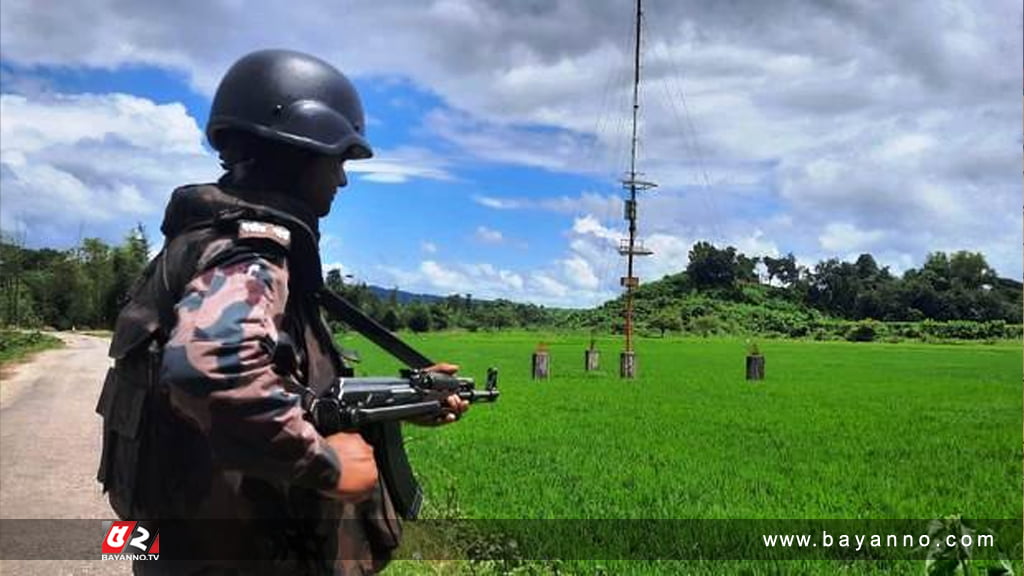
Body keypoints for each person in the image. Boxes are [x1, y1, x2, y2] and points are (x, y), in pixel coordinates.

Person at [96, 49, 468, 575]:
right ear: (299, 152)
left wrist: (407, 400)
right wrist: (327, 463)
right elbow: (209, 367)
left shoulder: (198, 243)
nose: (341, 180)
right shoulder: (250, 254)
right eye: (337, 160)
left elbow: (288, 386)